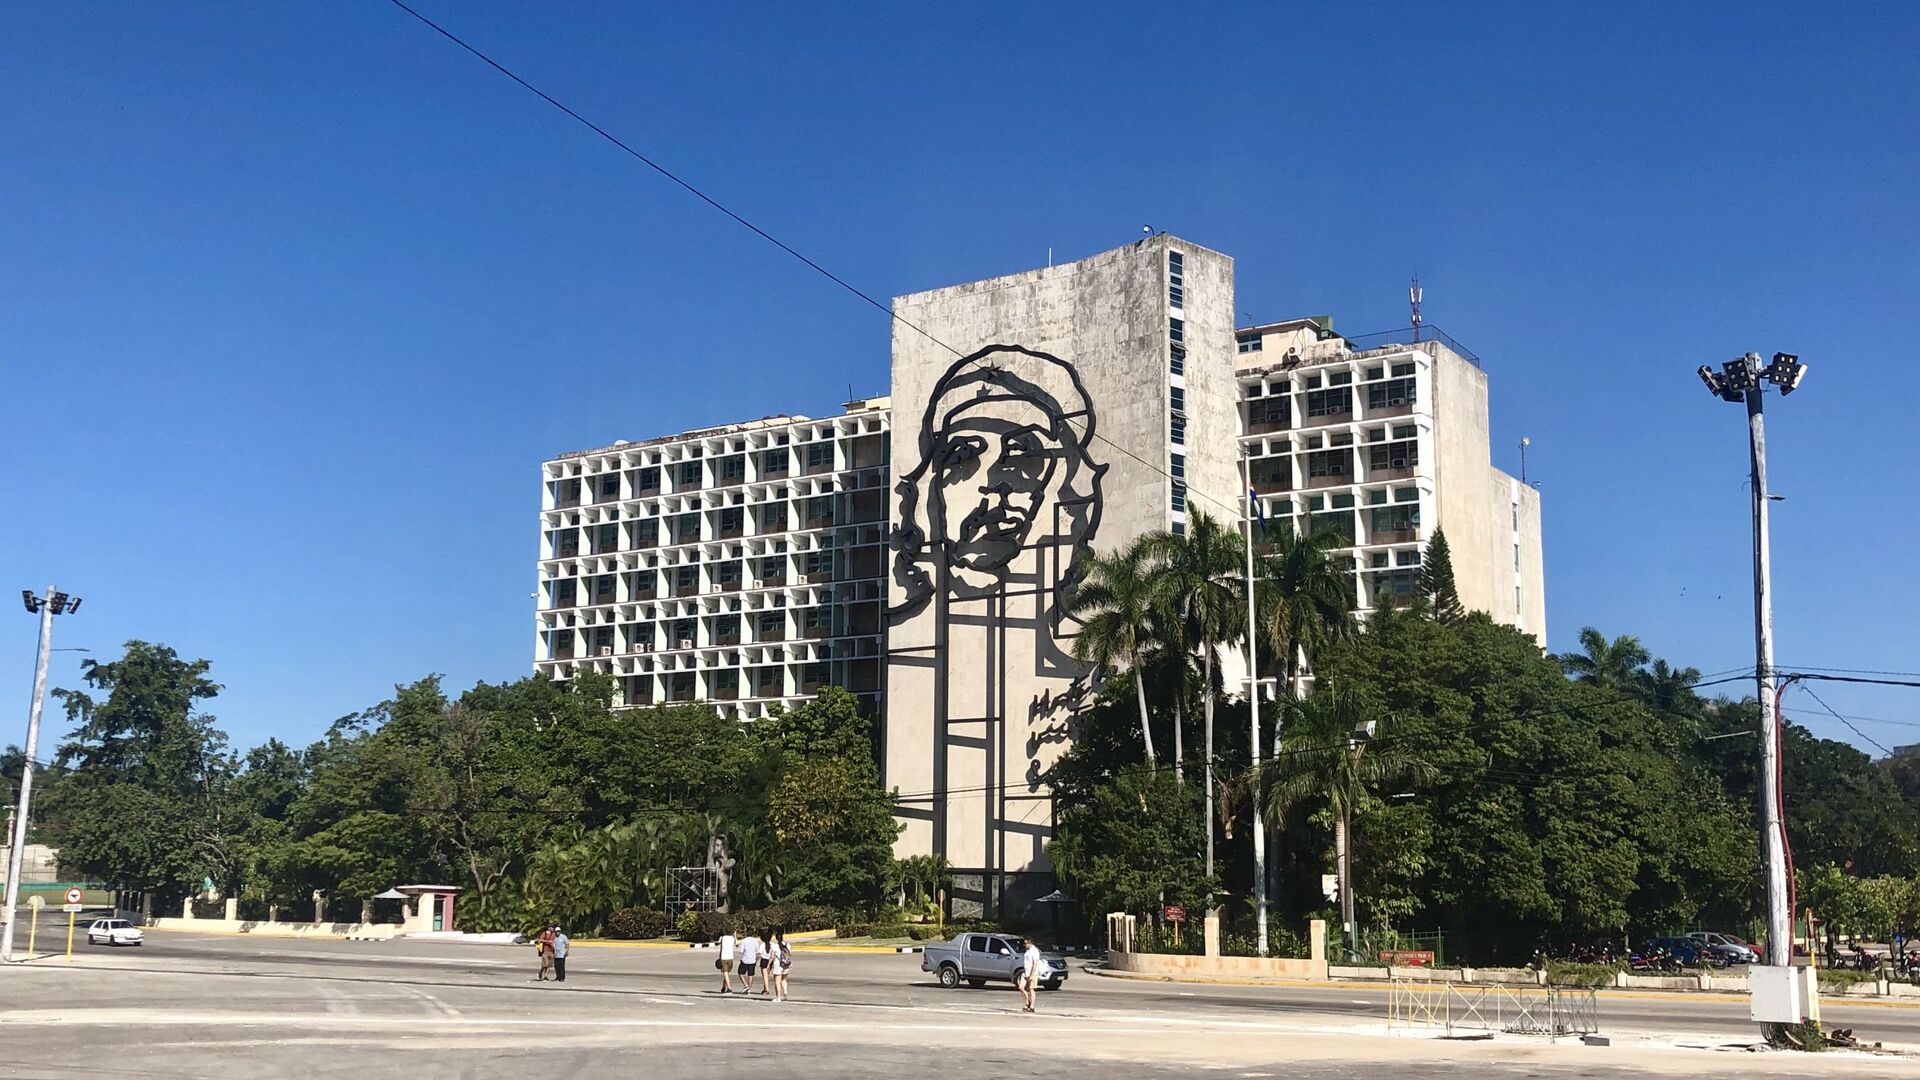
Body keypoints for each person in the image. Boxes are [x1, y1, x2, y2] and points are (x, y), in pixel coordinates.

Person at [1019, 936, 1042, 1013]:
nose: (1024, 945)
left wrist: (1032, 975)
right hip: (1025, 972)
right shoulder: (1027, 951)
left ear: (1030, 943)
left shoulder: (1035, 951)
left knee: (1031, 989)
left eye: (1025, 943)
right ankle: (1027, 1002)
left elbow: (1035, 964)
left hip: (1032, 973)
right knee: (1021, 987)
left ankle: (1032, 1006)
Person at [738, 928, 762, 994]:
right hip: (752, 960)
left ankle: (746, 985)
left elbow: (741, 951)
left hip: (745, 959)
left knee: (740, 973)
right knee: (750, 975)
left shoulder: (744, 941)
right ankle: (749, 989)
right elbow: (757, 952)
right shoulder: (755, 941)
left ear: (746, 933)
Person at [771, 930, 792, 1002]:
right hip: (786, 964)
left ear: (776, 938)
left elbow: (772, 957)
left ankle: (778, 997)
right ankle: (785, 993)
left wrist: (769, 965)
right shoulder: (787, 945)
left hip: (778, 965)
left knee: (777, 981)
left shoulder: (774, 946)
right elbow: (789, 954)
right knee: (784, 979)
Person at [717, 926, 738, 993]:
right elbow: (736, 944)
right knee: (726, 973)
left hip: (723, 957)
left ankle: (729, 988)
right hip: (730, 957)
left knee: (725, 973)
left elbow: (718, 943)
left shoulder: (722, 938)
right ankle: (724, 987)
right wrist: (735, 935)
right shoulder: (732, 938)